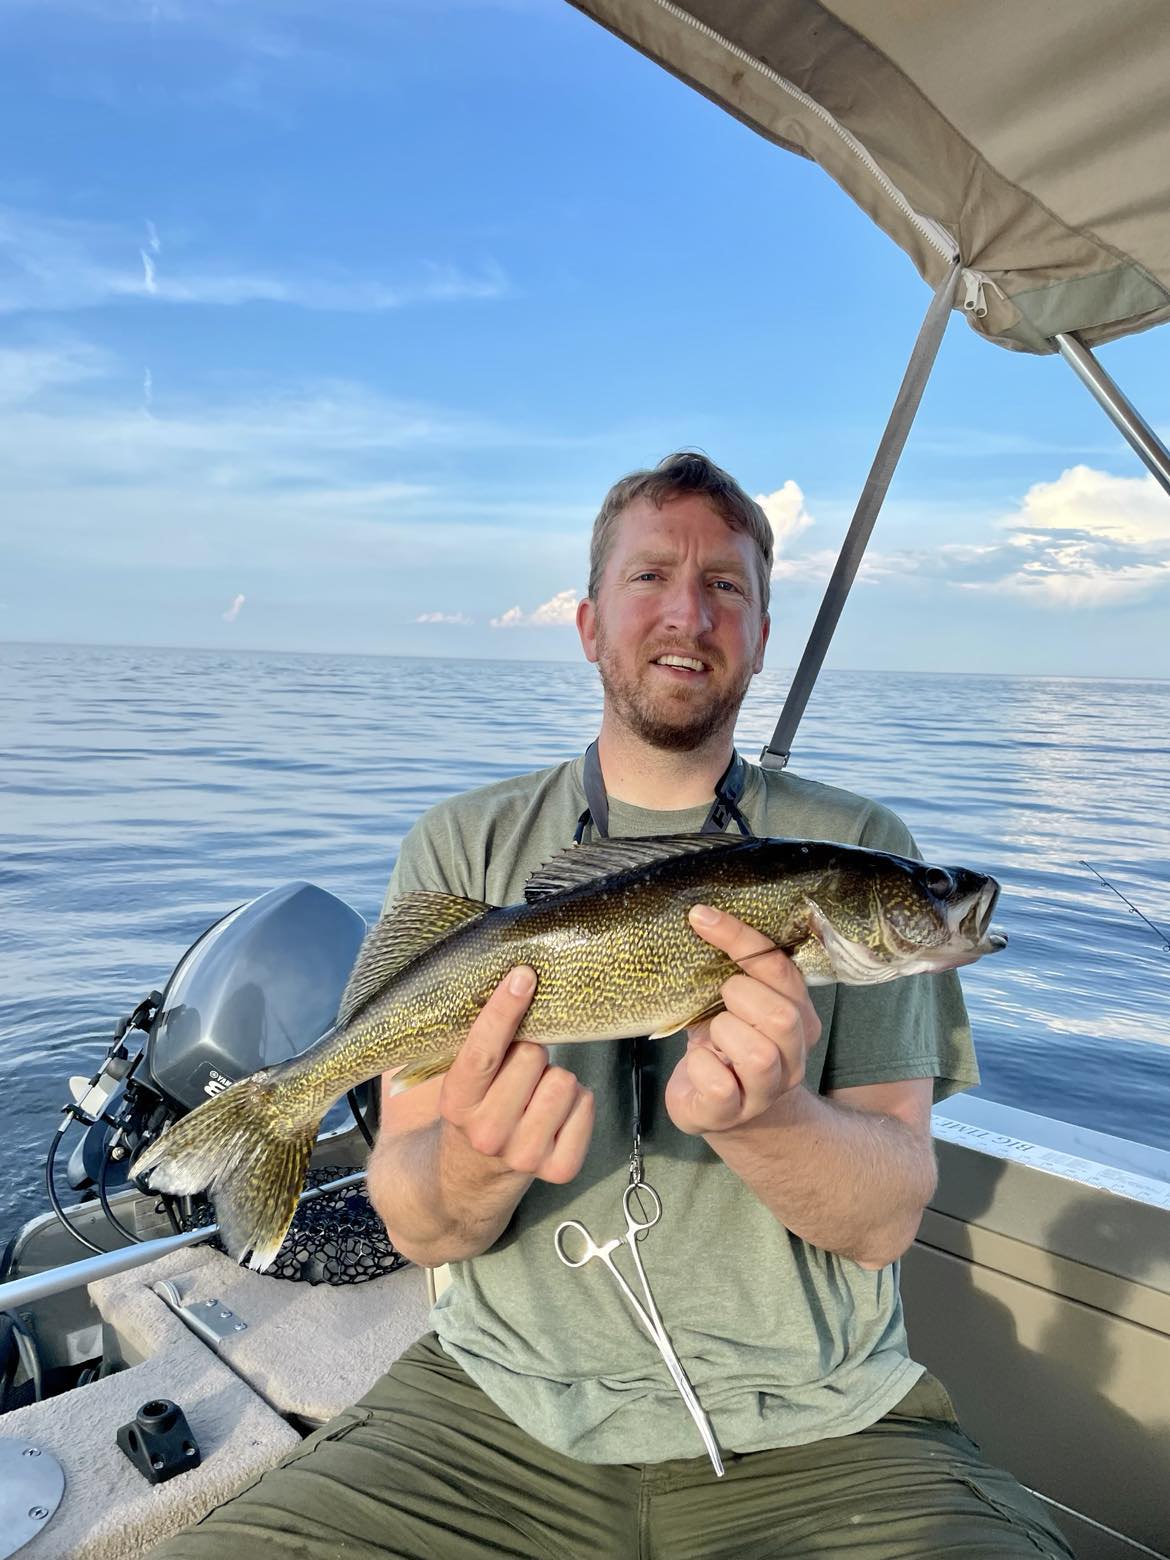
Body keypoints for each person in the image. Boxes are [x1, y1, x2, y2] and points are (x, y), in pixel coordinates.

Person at [151, 453, 1072, 1558]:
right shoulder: (458, 844)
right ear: (589, 623)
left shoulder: (868, 841)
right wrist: (472, 1164)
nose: (688, 611)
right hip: (497, 1413)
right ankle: (270, 1116)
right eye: (652, 577)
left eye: (727, 585)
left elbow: (885, 1219)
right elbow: (410, 1214)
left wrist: (769, 1118)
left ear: (763, 633)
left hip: (819, 1428)